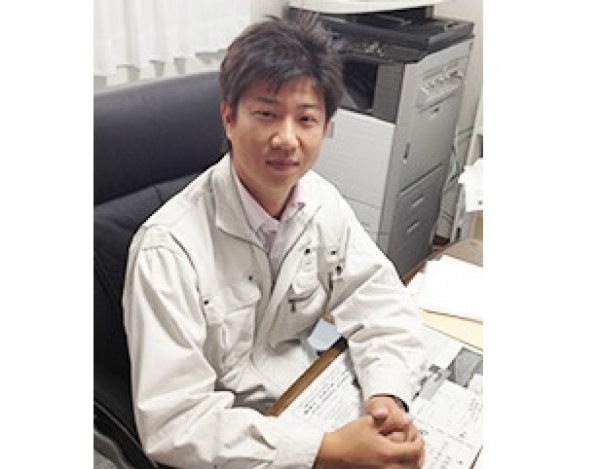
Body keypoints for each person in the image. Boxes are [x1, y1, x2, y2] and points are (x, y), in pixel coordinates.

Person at [123, 12, 427, 469]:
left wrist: (386, 397)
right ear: (229, 118)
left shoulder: (321, 203)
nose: (287, 139)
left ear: (326, 127)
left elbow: (380, 303)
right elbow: (175, 423)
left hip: (308, 400)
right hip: (231, 445)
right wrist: (326, 450)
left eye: (306, 119)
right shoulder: (167, 250)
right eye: (266, 114)